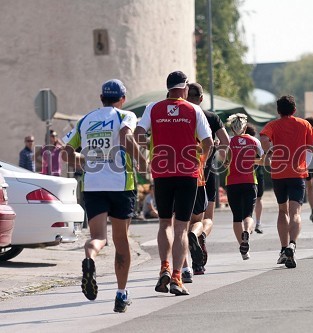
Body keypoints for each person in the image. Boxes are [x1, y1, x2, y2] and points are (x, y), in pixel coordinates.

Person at [62, 79, 147, 313]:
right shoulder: (125, 115)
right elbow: (126, 137)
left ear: (101, 98)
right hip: (120, 184)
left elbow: (66, 155)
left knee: (98, 238)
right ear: (122, 99)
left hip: (93, 185)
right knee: (121, 241)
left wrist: (88, 160)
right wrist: (142, 161)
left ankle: (89, 257)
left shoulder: (85, 120)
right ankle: (121, 294)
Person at [134, 71, 213, 296]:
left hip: (162, 172)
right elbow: (208, 142)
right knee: (181, 227)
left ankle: (164, 268)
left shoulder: (153, 108)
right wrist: (201, 161)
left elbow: (138, 136)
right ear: (185, 88)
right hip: (188, 174)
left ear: (168, 88)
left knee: (164, 224)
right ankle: (177, 277)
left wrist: (154, 143)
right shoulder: (194, 109)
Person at [260, 95, 313, 269]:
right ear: (294, 110)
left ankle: (284, 248)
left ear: (278, 110)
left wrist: (269, 151)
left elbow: (263, 138)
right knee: (296, 212)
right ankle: (292, 244)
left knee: (282, 210)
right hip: (298, 173)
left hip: (278, 174)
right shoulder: (304, 124)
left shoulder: (273, 125)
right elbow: (312, 145)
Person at [185, 82, 229, 276]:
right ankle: (199, 235)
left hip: (180, 173)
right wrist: (226, 162)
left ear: (186, 96)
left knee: (184, 221)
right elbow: (226, 143)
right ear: (201, 98)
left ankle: (187, 265)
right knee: (207, 218)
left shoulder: (181, 116)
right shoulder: (211, 117)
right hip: (206, 173)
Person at [225, 113, 263, 260]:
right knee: (248, 215)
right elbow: (263, 159)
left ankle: (243, 248)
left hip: (232, 182)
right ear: (245, 127)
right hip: (250, 181)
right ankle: (247, 231)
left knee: (236, 218)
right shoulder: (254, 141)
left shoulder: (228, 141)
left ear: (232, 129)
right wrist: (253, 161)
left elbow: (224, 160)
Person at [245, 124, 265, 234]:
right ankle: (258, 223)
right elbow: (263, 159)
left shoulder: (241, 143)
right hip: (258, 174)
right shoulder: (256, 143)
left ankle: (249, 223)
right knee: (258, 199)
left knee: (247, 201)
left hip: (246, 176)